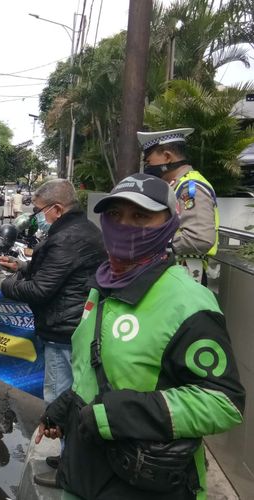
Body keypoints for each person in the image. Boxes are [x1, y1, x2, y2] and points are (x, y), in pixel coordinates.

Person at [35, 173, 245, 498]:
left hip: (146, 480)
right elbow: (100, 364)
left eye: (141, 216)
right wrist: (70, 403)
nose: (124, 225)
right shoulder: (104, 283)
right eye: (115, 215)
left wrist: (121, 412)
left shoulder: (188, 302)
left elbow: (223, 402)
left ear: (169, 223)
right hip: (84, 474)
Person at [0, 179, 105, 404]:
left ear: (57, 209)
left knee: (58, 400)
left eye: (38, 211)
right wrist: (21, 266)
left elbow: (39, 289)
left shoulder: (66, 238)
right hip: (74, 323)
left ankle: (60, 432)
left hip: (64, 330)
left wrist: (0, 281)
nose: (36, 217)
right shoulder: (80, 229)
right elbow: (59, 270)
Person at [137, 128, 219, 284]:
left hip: (187, 276)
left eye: (149, 162)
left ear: (167, 157)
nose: (148, 167)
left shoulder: (191, 187)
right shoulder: (177, 185)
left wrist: (152, 240)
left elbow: (199, 238)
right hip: (176, 274)